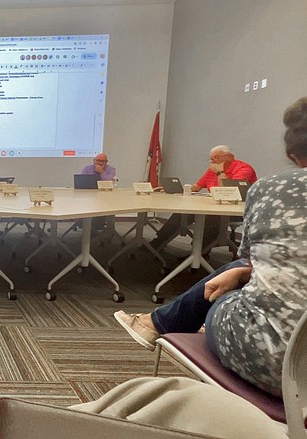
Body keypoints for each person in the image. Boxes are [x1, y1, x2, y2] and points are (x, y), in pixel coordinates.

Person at [115, 96, 307, 397]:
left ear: (294, 156)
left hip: (275, 361)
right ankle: (158, 314)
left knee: (227, 286)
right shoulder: (226, 171)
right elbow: (201, 186)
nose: (212, 163)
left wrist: (219, 174)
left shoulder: (261, 180)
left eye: (216, 159)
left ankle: (158, 322)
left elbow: (249, 254)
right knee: (229, 263)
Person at [149, 144, 258, 252]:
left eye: (217, 157)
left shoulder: (244, 169)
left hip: (236, 210)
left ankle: (200, 254)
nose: (213, 161)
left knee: (211, 217)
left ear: (230, 157)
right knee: (183, 212)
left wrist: (220, 172)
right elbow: (197, 187)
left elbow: (228, 192)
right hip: (214, 207)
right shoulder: (213, 169)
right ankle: (158, 242)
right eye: (211, 158)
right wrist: (177, 189)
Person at [80, 153, 116, 231]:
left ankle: (99, 226)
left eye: (103, 161)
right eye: (98, 161)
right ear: (94, 161)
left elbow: (109, 183)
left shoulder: (111, 169)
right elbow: (81, 181)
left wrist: (102, 172)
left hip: (104, 197)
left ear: (107, 162)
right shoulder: (87, 169)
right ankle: (85, 224)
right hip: (88, 196)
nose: (100, 163)